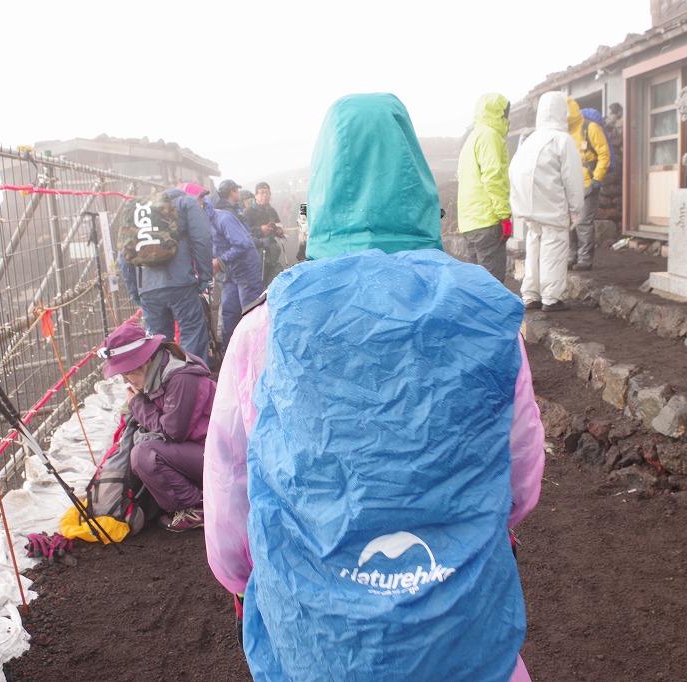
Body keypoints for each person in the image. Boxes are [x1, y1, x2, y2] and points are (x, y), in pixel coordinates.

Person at [203, 93, 544, 681]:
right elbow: (520, 478)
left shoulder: (265, 327)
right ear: (420, 188)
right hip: (460, 632)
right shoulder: (485, 318)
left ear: (323, 194)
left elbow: (231, 492)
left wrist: (247, 578)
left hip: (314, 640)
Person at [99, 322, 216, 532]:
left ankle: (198, 507)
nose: (126, 381)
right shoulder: (161, 374)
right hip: (207, 449)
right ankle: (203, 494)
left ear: (146, 361)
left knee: (144, 454)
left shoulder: (180, 378)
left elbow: (172, 433)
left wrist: (138, 404)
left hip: (224, 456)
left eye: (127, 373)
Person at [119, 184, 213, 363]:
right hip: (181, 283)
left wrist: (134, 290)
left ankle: (164, 386)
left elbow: (123, 257)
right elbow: (203, 240)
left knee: (157, 343)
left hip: (147, 288)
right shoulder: (185, 204)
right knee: (192, 332)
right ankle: (192, 383)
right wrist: (204, 276)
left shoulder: (138, 212)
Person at [509, 91, 585, 313]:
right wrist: (575, 208)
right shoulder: (562, 139)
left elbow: (514, 170)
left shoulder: (531, 139)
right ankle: (551, 298)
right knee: (554, 247)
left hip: (527, 205)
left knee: (533, 247)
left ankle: (530, 294)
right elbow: (572, 178)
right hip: (552, 204)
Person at [456, 92, 513, 282]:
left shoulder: (472, 137)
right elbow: (493, 177)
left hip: (469, 222)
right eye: (505, 113)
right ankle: (494, 313)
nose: (507, 118)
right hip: (487, 220)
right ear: (499, 114)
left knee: (477, 285)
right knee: (492, 285)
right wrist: (504, 215)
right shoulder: (490, 135)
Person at [203, 193, 264, 351]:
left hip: (246, 270)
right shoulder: (202, 223)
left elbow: (242, 244)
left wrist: (219, 261)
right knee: (229, 313)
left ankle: (255, 353)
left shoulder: (223, 218)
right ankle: (230, 354)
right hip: (230, 273)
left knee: (250, 313)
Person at [566, 100, 611, 271]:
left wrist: (597, 179)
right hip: (570, 185)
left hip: (587, 183)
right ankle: (572, 256)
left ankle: (585, 259)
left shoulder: (590, 128)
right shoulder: (565, 131)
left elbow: (604, 154)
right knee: (569, 224)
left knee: (583, 223)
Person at [241, 181, 286, 288]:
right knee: (257, 288)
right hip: (256, 256)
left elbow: (278, 225)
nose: (265, 195)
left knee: (279, 285)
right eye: (261, 192)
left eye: (267, 193)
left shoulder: (272, 211)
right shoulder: (248, 211)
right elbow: (242, 232)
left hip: (273, 255)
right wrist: (260, 229)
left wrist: (279, 231)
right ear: (256, 195)